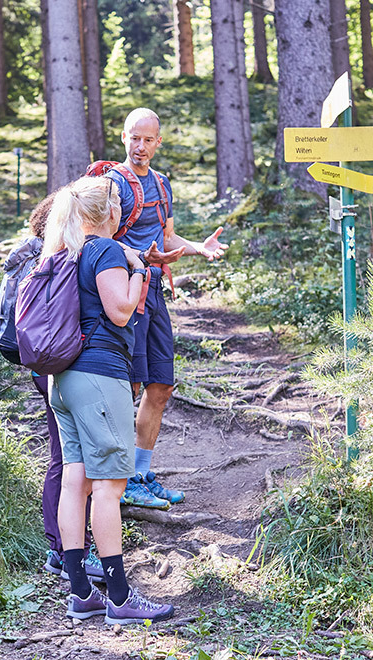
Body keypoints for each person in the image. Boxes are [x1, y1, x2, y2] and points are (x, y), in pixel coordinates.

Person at [46, 176, 174, 624]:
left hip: (62, 379)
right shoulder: (103, 249)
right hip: (99, 376)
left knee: (75, 482)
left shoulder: (65, 248)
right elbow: (121, 310)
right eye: (118, 204)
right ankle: (119, 598)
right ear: (110, 214)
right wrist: (140, 270)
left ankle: (82, 591)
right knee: (109, 486)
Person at [105, 108, 228, 509]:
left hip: (154, 291)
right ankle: (122, 484)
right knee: (131, 387)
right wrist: (143, 256)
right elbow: (98, 241)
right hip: (125, 291)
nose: (140, 147)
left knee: (160, 386)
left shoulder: (162, 182)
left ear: (159, 142)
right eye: (134, 138)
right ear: (123, 138)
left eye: (148, 140)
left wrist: (198, 248)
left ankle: (142, 474)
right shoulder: (112, 185)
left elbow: (169, 236)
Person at [3, 194, 105, 585]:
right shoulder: (62, 257)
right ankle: (69, 551)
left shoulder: (29, 254)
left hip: (40, 361)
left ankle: (61, 548)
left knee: (62, 455)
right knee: (71, 458)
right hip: (64, 362)